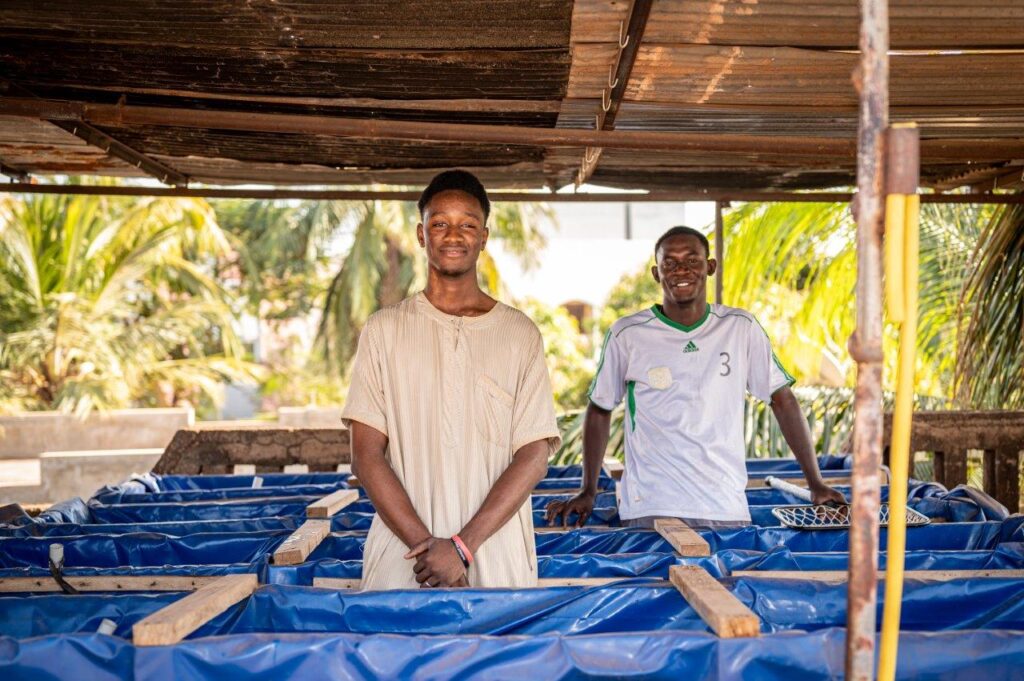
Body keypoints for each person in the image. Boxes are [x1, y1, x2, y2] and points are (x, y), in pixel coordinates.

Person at [342, 170, 561, 590]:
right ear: (422, 235)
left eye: (468, 224)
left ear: (484, 237)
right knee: (396, 655)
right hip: (404, 560)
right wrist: (430, 550)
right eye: (439, 223)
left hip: (497, 557)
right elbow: (366, 456)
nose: (453, 235)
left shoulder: (519, 333)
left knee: (499, 656)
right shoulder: (384, 329)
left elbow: (534, 455)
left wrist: (462, 547)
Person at [546, 226, 845, 530]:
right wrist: (588, 490)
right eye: (670, 263)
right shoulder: (628, 334)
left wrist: (815, 483)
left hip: (725, 504)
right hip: (651, 505)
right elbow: (600, 409)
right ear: (656, 273)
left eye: (692, 260)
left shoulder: (740, 327)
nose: (681, 271)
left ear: (710, 267)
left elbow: (782, 400)